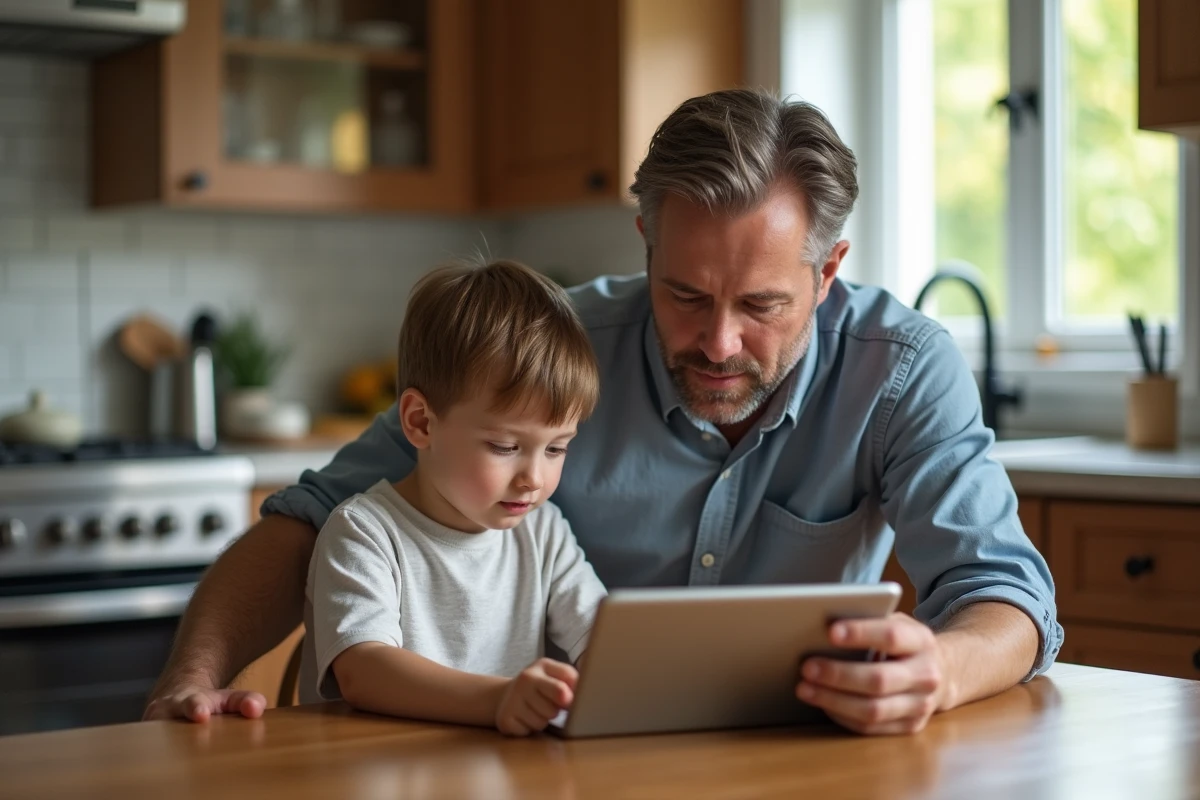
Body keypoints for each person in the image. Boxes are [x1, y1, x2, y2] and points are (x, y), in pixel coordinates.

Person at [145, 89, 1062, 736]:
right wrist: (191, 678)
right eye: (685, 295)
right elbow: (312, 519)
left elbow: (1007, 596)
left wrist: (940, 671)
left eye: (762, 305)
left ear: (826, 273)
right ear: (646, 243)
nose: (719, 343)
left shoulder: (900, 372)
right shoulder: (543, 353)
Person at [304, 259, 607, 736]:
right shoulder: (364, 533)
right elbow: (363, 669)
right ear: (420, 422)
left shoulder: (543, 531)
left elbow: (603, 641)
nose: (534, 478)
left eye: (556, 448)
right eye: (505, 447)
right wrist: (499, 699)